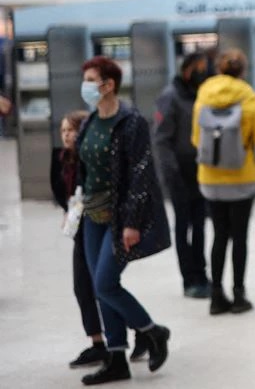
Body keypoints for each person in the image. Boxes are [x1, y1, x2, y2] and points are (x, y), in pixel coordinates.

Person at [76, 56, 171, 385]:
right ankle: (116, 357)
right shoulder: (90, 121)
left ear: (108, 84)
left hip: (119, 219)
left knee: (105, 283)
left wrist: (131, 223)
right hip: (91, 216)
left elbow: (140, 177)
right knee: (100, 288)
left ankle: (152, 331)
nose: (85, 86)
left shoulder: (131, 121)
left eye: (90, 79)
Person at [192, 49, 255, 315]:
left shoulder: (203, 95)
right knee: (239, 237)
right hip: (241, 178)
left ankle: (215, 296)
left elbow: (195, 138)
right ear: (242, 70)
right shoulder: (248, 96)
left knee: (219, 236)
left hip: (210, 179)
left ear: (218, 68)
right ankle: (238, 294)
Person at [51, 110, 108, 369]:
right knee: (83, 287)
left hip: (96, 225)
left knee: (103, 286)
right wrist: (68, 212)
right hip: (80, 230)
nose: (66, 135)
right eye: (63, 131)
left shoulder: (90, 159)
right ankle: (98, 344)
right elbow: (63, 194)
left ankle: (140, 330)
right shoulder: (62, 159)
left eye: (71, 130)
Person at [154, 52, 211, 299]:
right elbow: (161, 139)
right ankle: (189, 279)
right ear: (186, 69)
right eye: (199, 68)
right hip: (178, 174)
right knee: (183, 226)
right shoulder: (170, 96)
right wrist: (171, 172)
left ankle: (201, 274)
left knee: (199, 226)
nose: (203, 72)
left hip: (200, 172)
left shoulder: (200, 93)